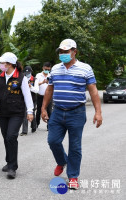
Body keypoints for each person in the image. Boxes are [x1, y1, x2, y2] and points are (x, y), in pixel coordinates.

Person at [41, 39, 103, 189]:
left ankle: (73, 176)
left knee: (75, 146)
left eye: (66, 51)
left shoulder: (85, 68)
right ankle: (62, 161)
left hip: (77, 112)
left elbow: (93, 91)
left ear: (74, 52)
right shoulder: (55, 69)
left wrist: (98, 112)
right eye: (61, 52)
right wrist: (43, 108)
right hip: (57, 111)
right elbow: (49, 89)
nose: (63, 54)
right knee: (53, 141)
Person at [0, 52, 34, 179]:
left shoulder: (21, 78)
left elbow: (27, 96)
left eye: (3, 63)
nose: (1, 65)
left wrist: (30, 111)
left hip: (16, 113)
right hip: (2, 112)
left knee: (11, 137)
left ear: (10, 64)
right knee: (6, 137)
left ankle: (12, 167)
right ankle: (9, 161)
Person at [20, 66, 38, 135]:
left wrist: (30, 87)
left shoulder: (35, 79)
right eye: (26, 72)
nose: (27, 74)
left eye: (29, 72)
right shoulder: (22, 79)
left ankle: (34, 126)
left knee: (31, 113)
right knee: (25, 114)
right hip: (25, 99)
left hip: (33, 99)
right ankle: (24, 131)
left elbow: (36, 90)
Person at [35, 62, 52, 130]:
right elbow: (35, 84)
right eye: (45, 69)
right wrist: (42, 82)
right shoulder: (38, 75)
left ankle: (49, 125)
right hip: (40, 96)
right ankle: (36, 124)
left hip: (49, 96)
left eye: (48, 69)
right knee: (39, 111)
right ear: (43, 68)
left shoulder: (50, 75)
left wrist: (49, 82)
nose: (46, 70)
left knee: (49, 111)